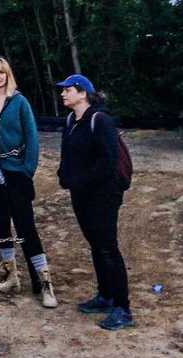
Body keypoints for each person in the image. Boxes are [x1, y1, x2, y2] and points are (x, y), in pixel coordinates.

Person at [0, 57, 57, 308]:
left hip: (16, 170)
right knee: (1, 224)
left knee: (26, 226)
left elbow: (32, 137)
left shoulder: (20, 102)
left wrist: (27, 169)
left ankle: (44, 283)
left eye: (2, 72)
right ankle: (11, 275)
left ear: (8, 75)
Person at [57, 74, 134, 331]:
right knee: (95, 245)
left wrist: (79, 180)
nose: (63, 94)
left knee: (108, 248)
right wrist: (63, 174)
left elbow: (108, 162)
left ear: (82, 93)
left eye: (68, 90)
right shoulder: (71, 121)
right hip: (81, 194)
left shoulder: (100, 121)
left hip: (104, 195)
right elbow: (68, 153)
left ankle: (122, 308)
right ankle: (105, 295)